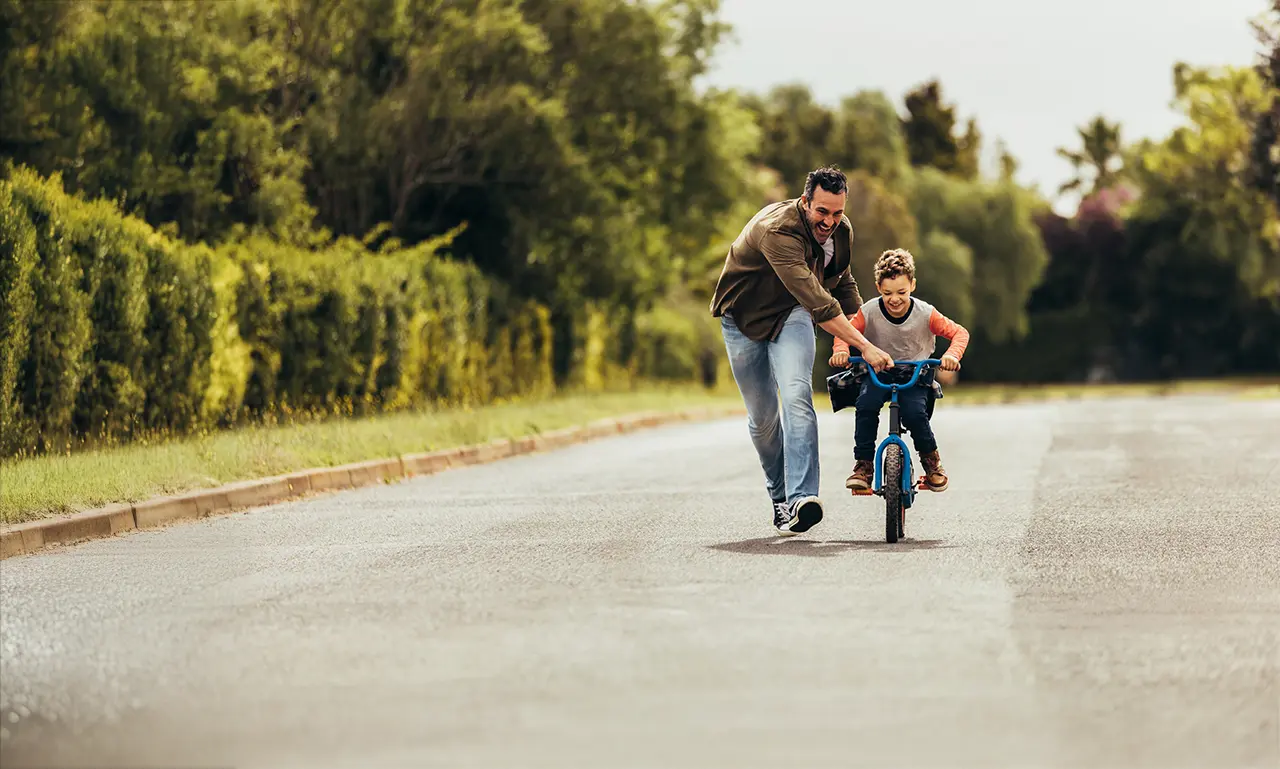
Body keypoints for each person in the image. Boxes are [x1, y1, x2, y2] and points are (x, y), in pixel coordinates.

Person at [710, 166, 895, 536]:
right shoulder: (779, 231)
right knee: (763, 419)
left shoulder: (841, 231)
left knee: (796, 395)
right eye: (821, 211)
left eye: (837, 212)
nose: (829, 221)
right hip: (742, 319)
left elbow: (841, 282)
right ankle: (780, 500)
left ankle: (801, 499)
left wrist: (873, 331)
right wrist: (865, 346)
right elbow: (820, 303)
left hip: (791, 315)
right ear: (805, 201)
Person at [828, 248, 970, 493]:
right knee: (865, 405)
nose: (895, 299)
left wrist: (951, 356)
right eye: (887, 293)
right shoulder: (869, 311)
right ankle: (863, 466)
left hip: (914, 375)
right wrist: (840, 350)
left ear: (913, 285)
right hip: (878, 371)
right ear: (877, 287)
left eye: (902, 292)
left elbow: (959, 333)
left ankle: (932, 464)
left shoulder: (925, 313)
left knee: (915, 414)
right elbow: (845, 331)